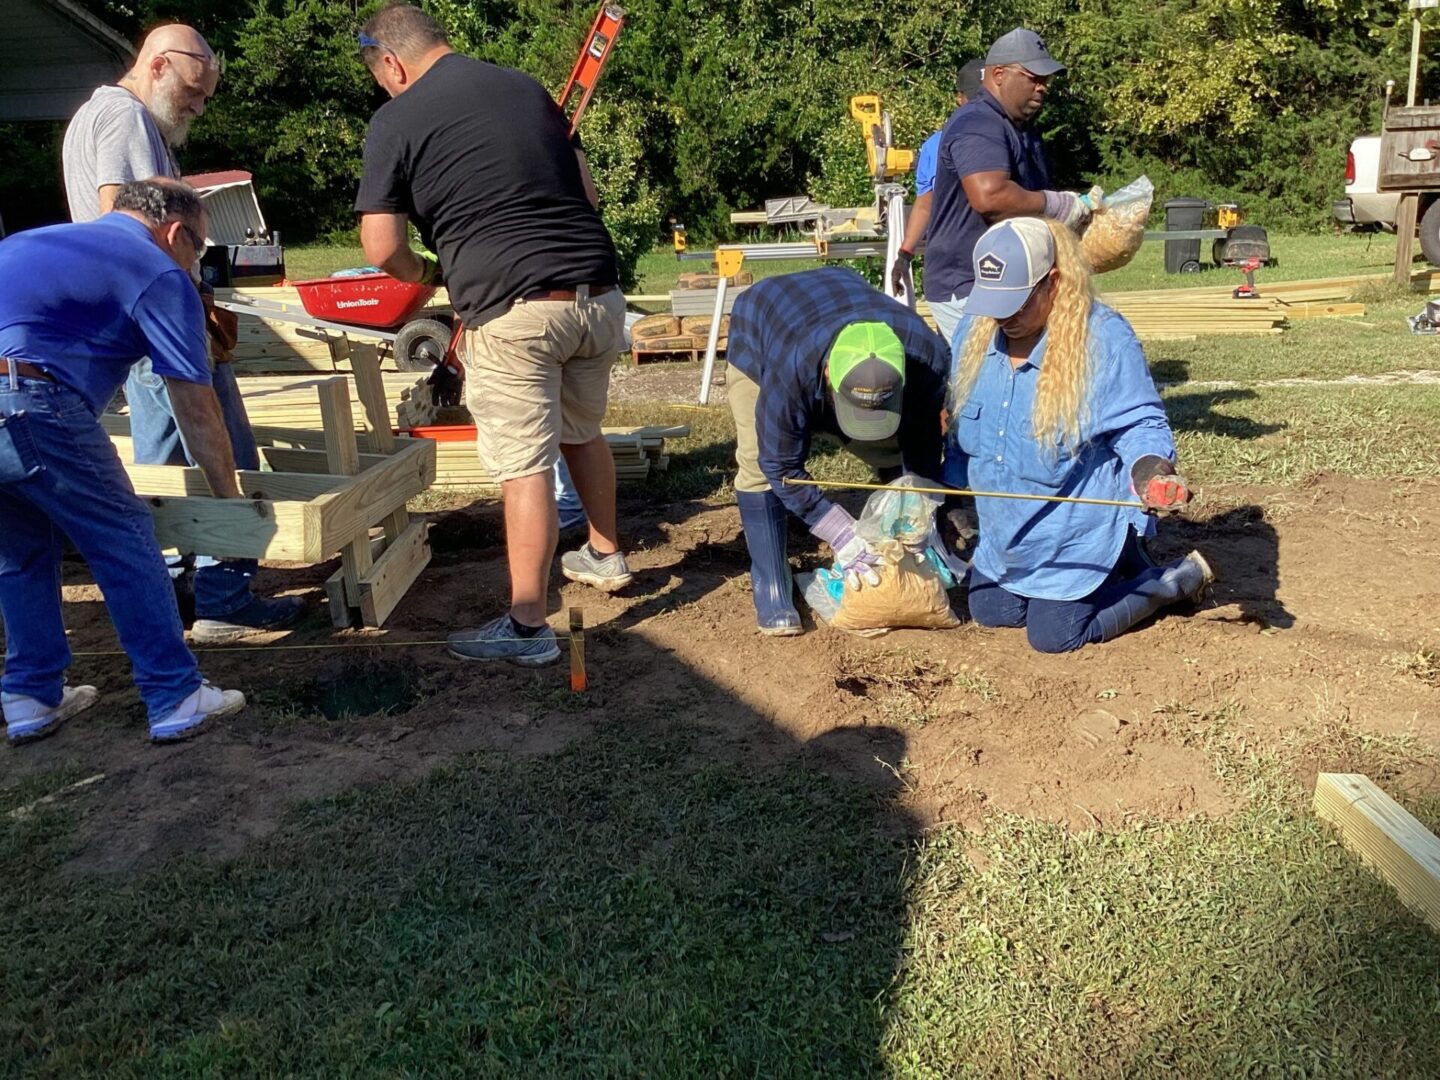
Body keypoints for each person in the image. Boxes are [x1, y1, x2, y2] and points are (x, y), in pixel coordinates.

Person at [354, 2, 627, 667]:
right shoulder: (525, 89)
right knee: (581, 431)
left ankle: (528, 626)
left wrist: (427, 273)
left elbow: (381, 244)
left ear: (392, 63)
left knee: (523, 464)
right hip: (597, 294)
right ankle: (605, 552)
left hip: (513, 312)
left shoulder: (397, 119)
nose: (385, 89)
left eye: (381, 78)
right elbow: (587, 195)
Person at [62, 22, 303, 643]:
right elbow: (126, 217)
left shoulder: (98, 115)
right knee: (222, 451)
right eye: (193, 93)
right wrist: (183, 298)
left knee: (162, 458)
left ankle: (176, 593)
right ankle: (223, 597)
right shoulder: (125, 118)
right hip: (156, 317)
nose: (198, 108)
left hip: (135, 318)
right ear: (158, 65)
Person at [0, 179, 248, 744]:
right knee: (125, 536)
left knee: (21, 549)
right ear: (176, 233)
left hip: (14, 398)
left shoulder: (32, 242)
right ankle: (176, 695)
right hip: (32, 399)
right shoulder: (158, 272)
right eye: (198, 249)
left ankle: (30, 695)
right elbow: (194, 405)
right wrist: (229, 499)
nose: (195, 264)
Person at [944, 216, 1211, 654]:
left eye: (1016, 303)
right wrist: (947, 494)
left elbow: (1140, 424)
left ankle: (1171, 579)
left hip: (1075, 532)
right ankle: (1120, 564)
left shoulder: (1103, 339)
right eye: (994, 302)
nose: (1002, 316)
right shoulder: (974, 331)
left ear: (1053, 282)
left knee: (1054, 635)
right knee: (992, 610)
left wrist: (1150, 471)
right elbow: (959, 427)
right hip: (1007, 535)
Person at [726, 266, 952, 635]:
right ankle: (771, 580)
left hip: (837, 303)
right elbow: (779, 464)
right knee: (756, 463)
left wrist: (920, 509)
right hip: (764, 321)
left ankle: (902, 546)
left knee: (892, 452)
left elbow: (923, 436)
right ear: (830, 372)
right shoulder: (790, 368)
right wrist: (840, 531)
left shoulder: (927, 357)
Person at [923, 28, 1096, 345]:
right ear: (999, 74)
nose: (1042, 86)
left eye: (1046, 79)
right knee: (993, 370)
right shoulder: (977, 123)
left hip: (1008, 277)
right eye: (1033, 77)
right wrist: (1057, 205)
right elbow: (990, 197)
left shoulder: (1019, 128)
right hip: (972, 282)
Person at [890, 59, 984, 296]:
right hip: (953, 274)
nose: (981, 106)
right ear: (959, 98)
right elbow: (925, 204)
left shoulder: (1011, 140)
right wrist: (904, 255)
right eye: (975, 98)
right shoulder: (934, 146)